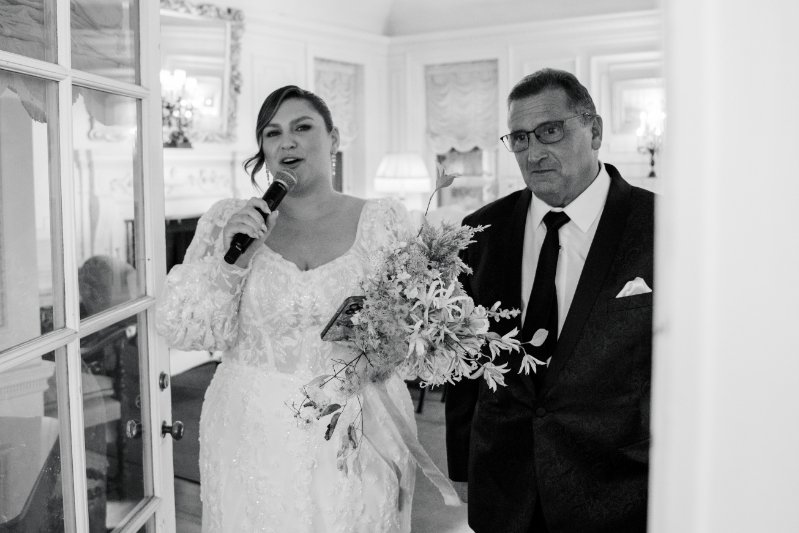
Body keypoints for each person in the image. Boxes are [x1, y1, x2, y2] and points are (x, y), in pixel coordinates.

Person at [156, 86, 417, 533]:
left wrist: (393, 343)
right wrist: (232, 260)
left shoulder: (384, 220)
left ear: (333, 138)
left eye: (302, 127)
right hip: (252, 426)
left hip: (359, 424)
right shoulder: (227, 221)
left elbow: (416, 325)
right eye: (272, 133)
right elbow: (187, 331)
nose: (286, 142)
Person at [445, 68, 654, 533]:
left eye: (550, 131)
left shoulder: (659, 227)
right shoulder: (480, 233)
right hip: (504, 489)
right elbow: (460, 364)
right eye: (519, 138)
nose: (534, 152)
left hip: (618, 490)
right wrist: (462, 467)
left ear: (594, 130)